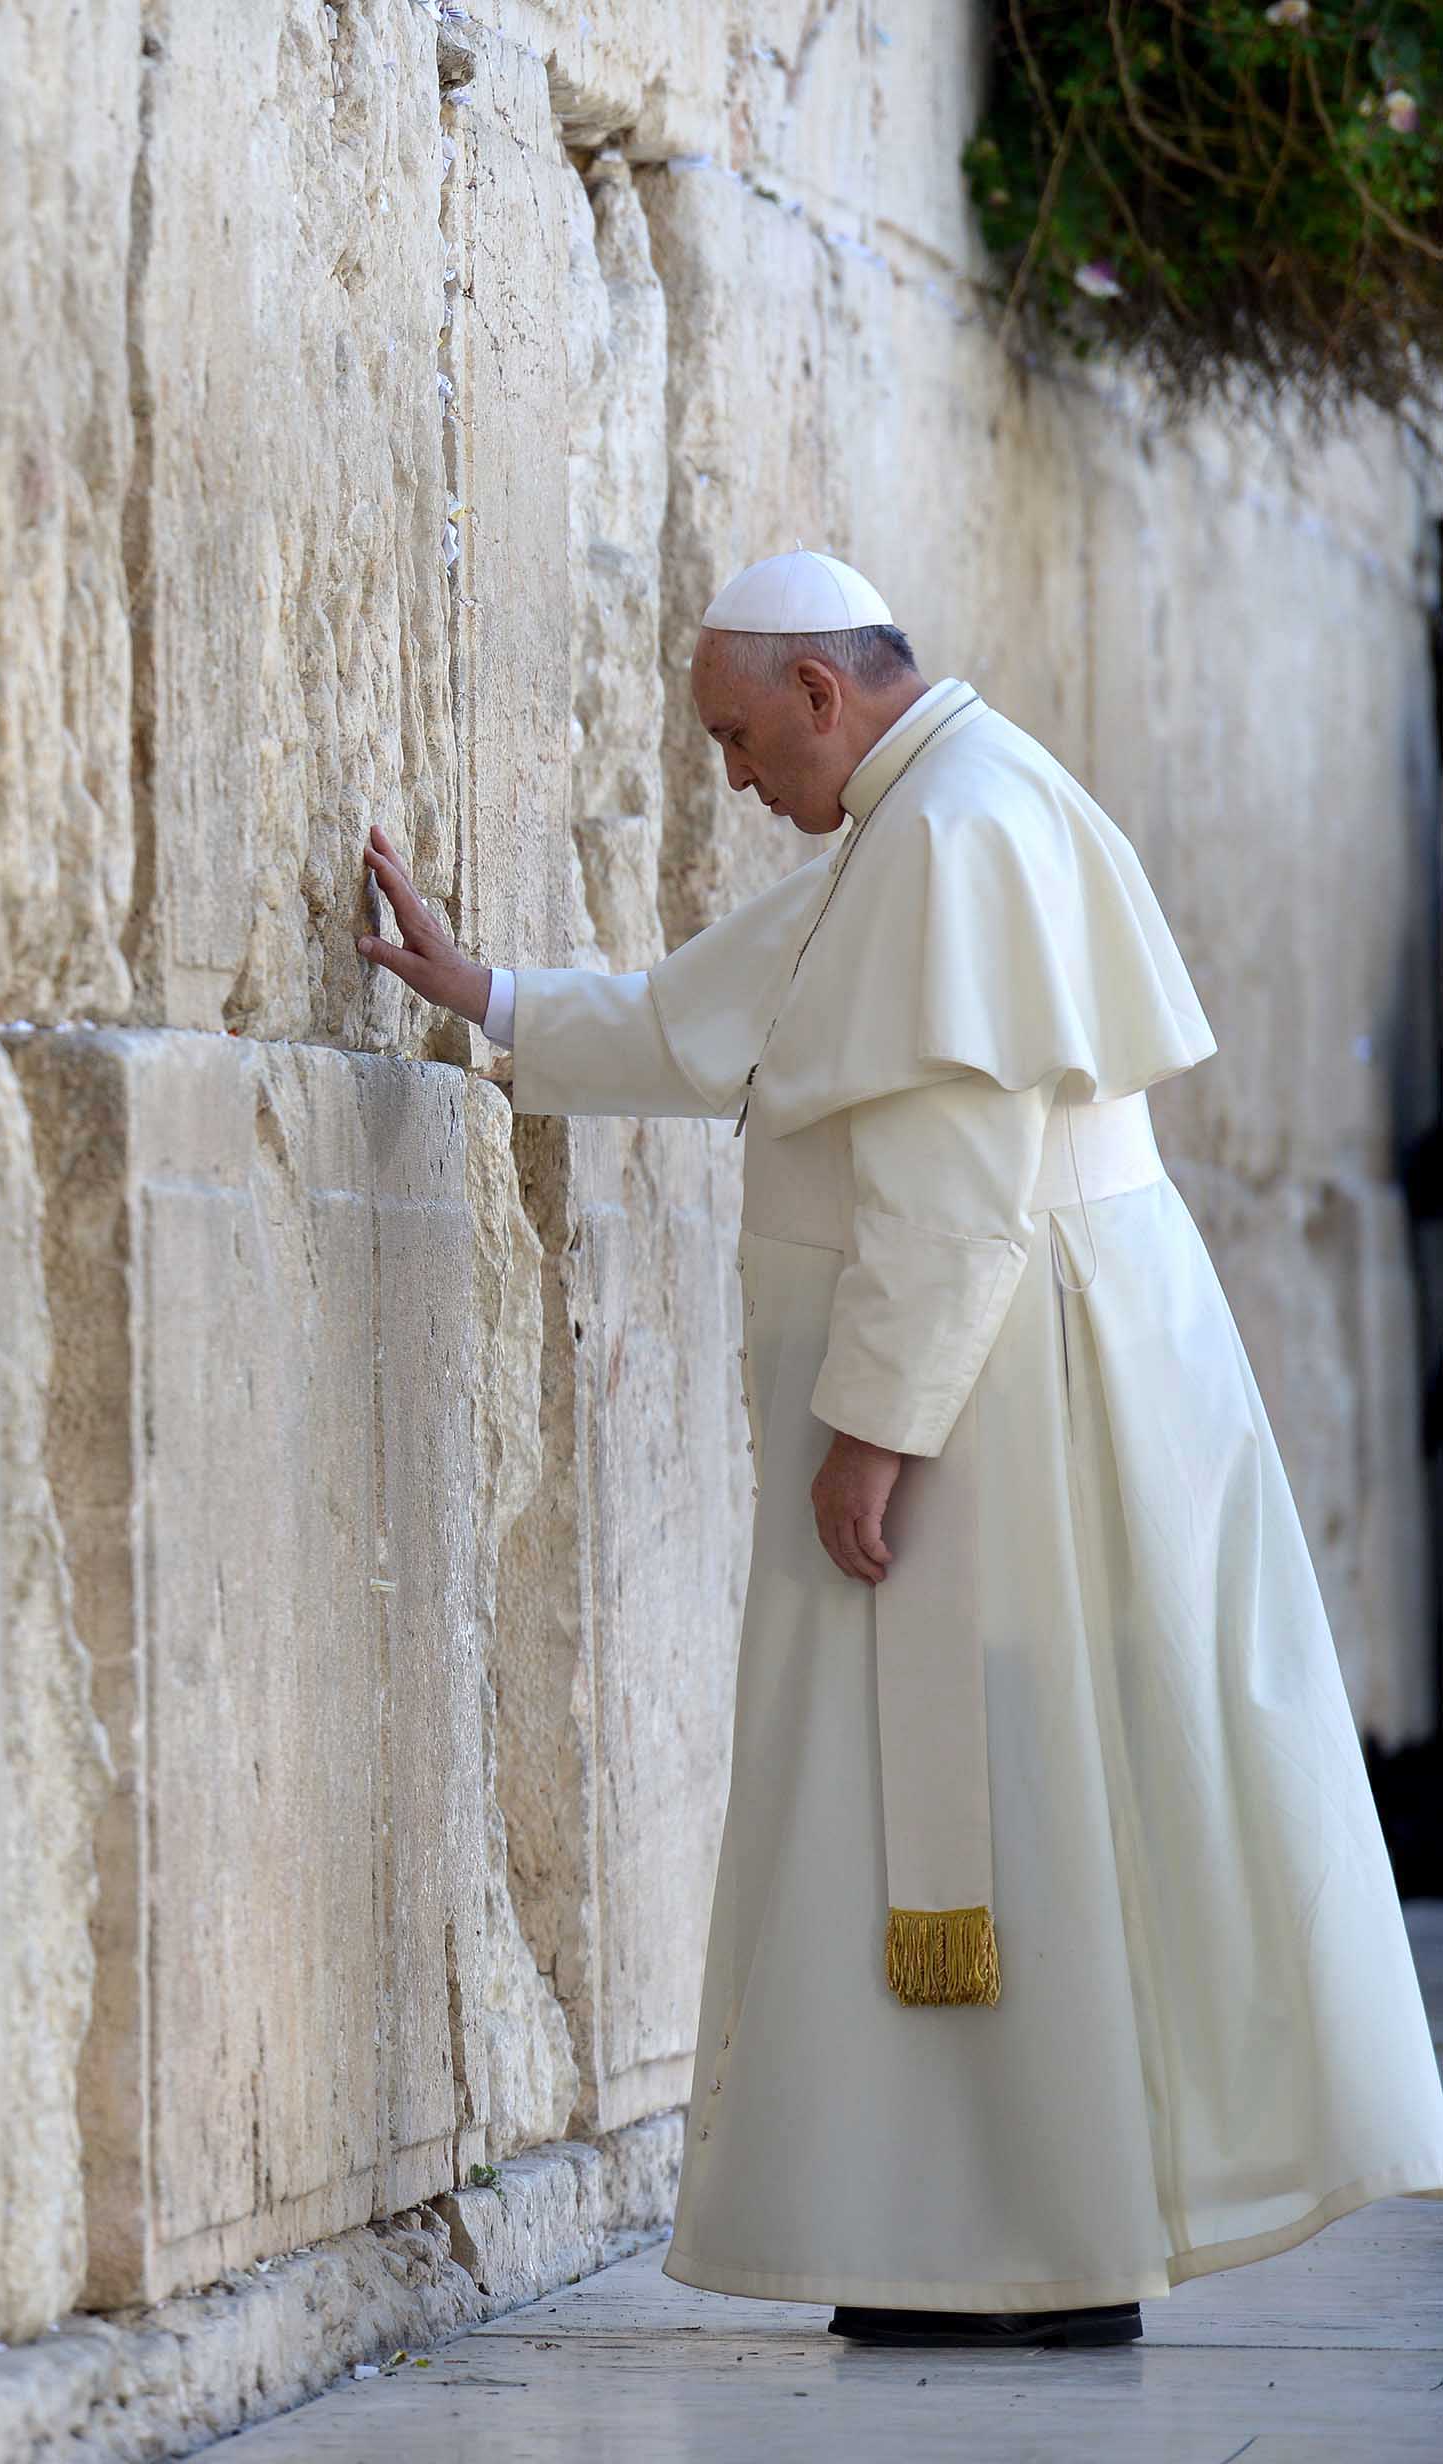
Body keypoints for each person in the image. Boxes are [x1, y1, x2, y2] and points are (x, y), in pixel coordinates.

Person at [358, 548, 1443, 2348]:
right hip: (1015, 1372)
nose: (731, 778)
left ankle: (1020, 2248)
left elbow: (951, 1189)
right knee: (1023, 1796)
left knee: (990, 1797)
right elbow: (747, 1014)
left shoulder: (945, 829)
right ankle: (1014, 2232)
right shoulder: (935, 800)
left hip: (993, 1397)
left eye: (733, 736)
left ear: (818, 691)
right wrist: (494, 997)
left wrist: (877, 1431)